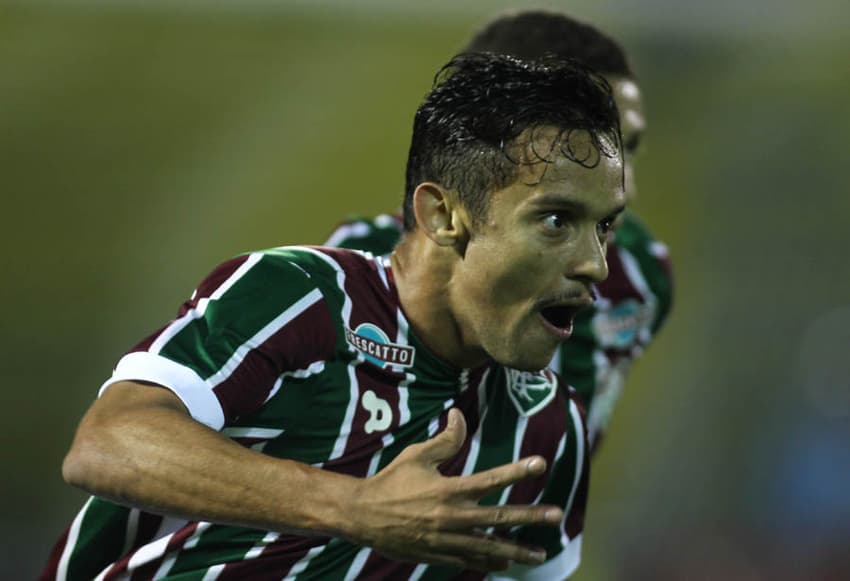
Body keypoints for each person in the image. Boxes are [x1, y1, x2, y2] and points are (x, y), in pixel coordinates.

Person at [41, 53, 625, 580]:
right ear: (444, 215)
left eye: (603, 226)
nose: (596, 265)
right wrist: (356, 507)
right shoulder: (303, 298)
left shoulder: (548, 428)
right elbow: (109, 444)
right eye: (556, 220)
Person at [326, 10, 674, 451]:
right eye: (582, 152)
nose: (624, 189)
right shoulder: (356, 273)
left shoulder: (641, 277)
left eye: (629, 150)